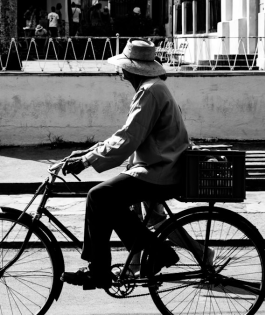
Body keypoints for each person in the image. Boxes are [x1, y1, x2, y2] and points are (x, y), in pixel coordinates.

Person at [60, 39, 190, 290]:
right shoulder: (154, 87)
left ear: (132, 69)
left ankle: (99, 270)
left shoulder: (149, 91)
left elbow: (129, 137)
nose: (120, 71)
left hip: (159, 171)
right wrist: (90, 151)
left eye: (123, 67)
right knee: (111, 204)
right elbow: (129, 133)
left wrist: (87, 161)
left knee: (97, 196)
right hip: (159, 167)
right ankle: (156, 252)